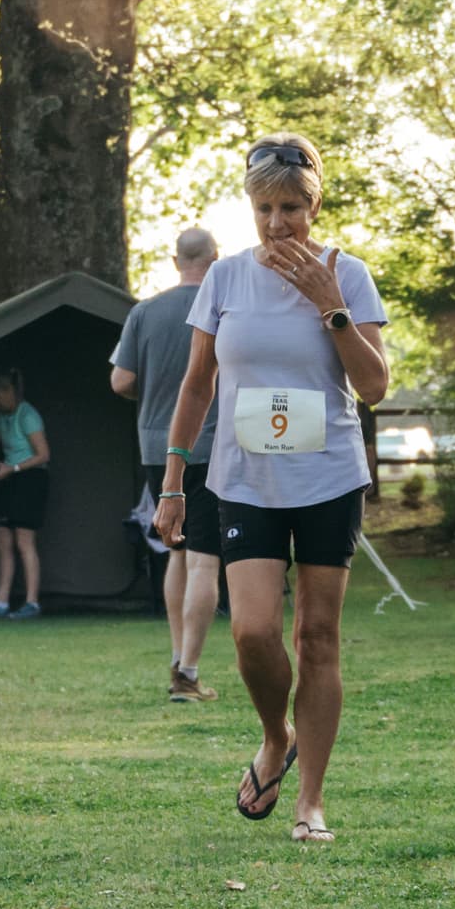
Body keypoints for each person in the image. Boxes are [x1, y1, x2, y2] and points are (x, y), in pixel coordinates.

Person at [158, 133, 389, 843]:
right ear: (250, 206)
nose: (277, 222)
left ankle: (310, 801)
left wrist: (330, 304)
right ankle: (274, 734)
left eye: (291, 207)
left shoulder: (347, 275)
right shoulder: (224, 279)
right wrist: (173, 478)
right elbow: (198, 384)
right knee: (254, 631)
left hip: (326, 477)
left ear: (314, 204)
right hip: (244, 478)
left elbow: (374, 385)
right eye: (264, 208)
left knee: (317, 638)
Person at [112, 224, 223, 699]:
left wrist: (155, 389)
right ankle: (190, 673)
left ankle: (179, 658)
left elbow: (120, 381)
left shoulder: (145, 311)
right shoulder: (221, 308)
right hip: (211, 445)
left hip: (157, 448)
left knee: (175, 551)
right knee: (204, 561)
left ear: (176, 261)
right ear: (215, 261)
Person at [0, 367, 50, 618]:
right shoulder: (0, 418)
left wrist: (13, 467)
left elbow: (43, 455)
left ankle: (31, 602)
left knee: (23, 540)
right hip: (9, 479)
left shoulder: (28, 416)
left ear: (9, 392)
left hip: (31, 479)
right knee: (2, 539)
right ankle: (1, 602)